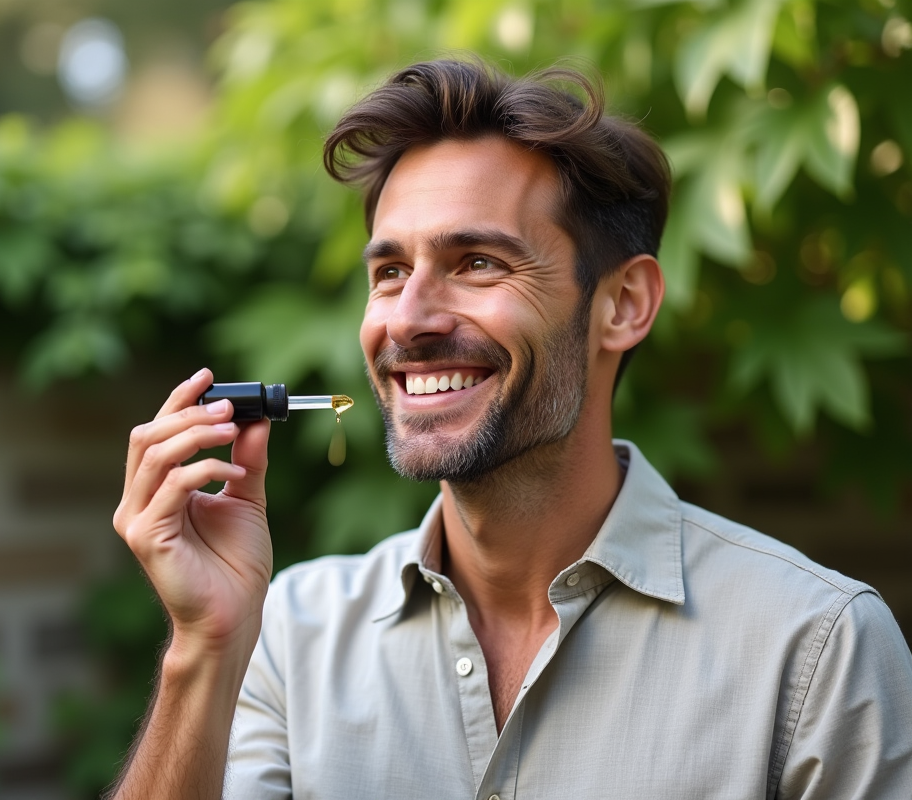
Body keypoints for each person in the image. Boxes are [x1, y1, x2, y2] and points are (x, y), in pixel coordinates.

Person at [110, 59, 912, 799]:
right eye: (390, 272)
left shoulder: (816, 651)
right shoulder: (290, 631)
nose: (410, 320)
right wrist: (203, 649)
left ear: (623, 304)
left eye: (478, 263)